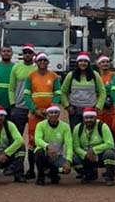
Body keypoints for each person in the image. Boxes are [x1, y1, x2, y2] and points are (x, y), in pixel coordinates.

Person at [23, 52, 61, 180]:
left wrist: (52, 109)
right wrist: (34, 109)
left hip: (50, 114)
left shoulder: (54, 76)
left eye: (45, 60)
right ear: (36, 62)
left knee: (50, 140)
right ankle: (31, 169)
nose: (42, 62)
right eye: (40, 60)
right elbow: (27, 95)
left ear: (48, 62)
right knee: (33, 141)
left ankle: (51, 169)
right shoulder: (31, 76)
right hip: (35, 114)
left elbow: (57, 93)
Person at [61, 52, 106, 130]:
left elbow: (102, 92)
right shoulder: (71, 75)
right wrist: (67, 106)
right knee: (76, 132)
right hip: (74, 111)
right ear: (77, 63)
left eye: (85, 61)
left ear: (88, 63)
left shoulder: (95, 75)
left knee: (90, 132)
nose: (83, 63)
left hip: (91, 110)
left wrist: (98, 107)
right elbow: (63, 92)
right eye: (81, 61)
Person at [72, 107, 115, 186]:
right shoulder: (78, 128)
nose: (89, 120)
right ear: (83, 118)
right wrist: (85, 154)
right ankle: (89, 174)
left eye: (91, 117)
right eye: (86, 118)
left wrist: (94, 150)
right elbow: (75, 147)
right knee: (74, 158)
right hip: (86, 156)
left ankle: (109, 177)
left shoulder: (102, 126)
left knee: (110, 153)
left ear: (95, 118)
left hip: (101, 155)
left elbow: (110, 144)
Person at [33, 105, 73, 186]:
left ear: (59, 114)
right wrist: (47, 147)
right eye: (51, 112)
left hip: (57, 156)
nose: (53, 114)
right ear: (47, 114)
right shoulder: (40, 125)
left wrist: (68, 161)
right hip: (44, 154)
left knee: (66, 170)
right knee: (39, 152)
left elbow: (69, 145)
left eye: (56, 112)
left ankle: (53, 172)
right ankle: (41, 177)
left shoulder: (65, 126)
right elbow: (37, 140)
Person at [8, 44, 38, 136]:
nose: (27, 55)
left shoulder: (37, 69)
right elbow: (11, 88)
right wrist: (13, 103)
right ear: (23, 54)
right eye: (25, 53)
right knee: (17, 136)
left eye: (30, 52)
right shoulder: (16, 67)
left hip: (33, 108)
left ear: (33, 54)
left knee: (34, 136)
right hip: (18, 108)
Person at [0, 45, 15, 111]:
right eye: (4, 51)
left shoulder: (15, 68)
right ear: (0, 53)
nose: (6, 53)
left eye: (8, 51)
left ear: (12, 53)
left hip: (11, 103)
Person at [96, 55, 115, 127]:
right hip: (99, 109)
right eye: (103, 62)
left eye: (107, 62)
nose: (105, 64)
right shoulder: (96, 76)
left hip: (110, 109)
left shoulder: (114, 75)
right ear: (98, 64)